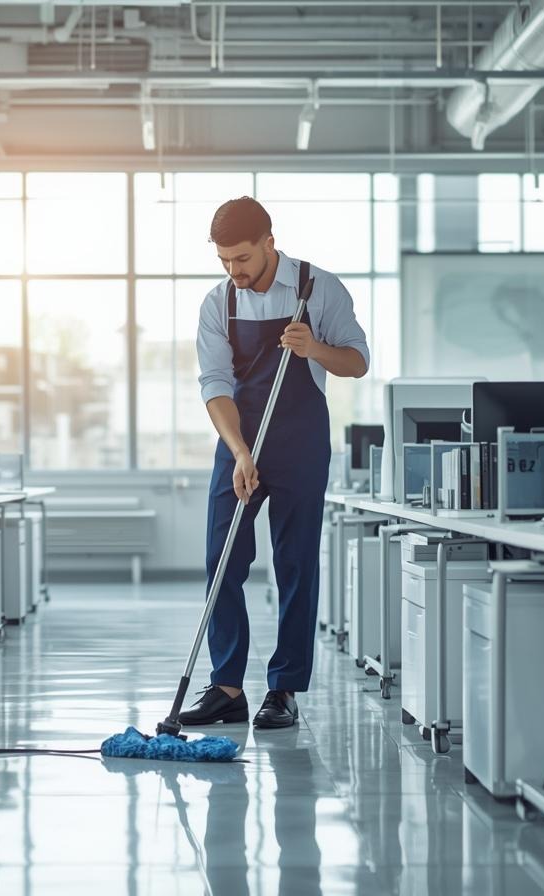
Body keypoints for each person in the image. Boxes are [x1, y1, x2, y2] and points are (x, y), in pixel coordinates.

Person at [178, 196, 370, 730]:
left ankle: (284, 689)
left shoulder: (318, 288)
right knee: (222, 560)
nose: (233, 271)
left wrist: (315, 349)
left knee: (295, 563)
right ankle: (227, 688)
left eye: (242, 258)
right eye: (224, 261)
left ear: (269, 242)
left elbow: (357, 361)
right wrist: (240, 451)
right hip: (240, 440)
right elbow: (215, 383)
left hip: (301, 440)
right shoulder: (218, 303)